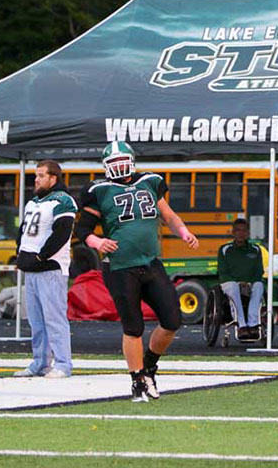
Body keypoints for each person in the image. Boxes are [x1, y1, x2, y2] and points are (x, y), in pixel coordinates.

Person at [75, 141, 198, 402]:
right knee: (133, 327)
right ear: (106, 166)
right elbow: (83, 230)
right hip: (120, 267)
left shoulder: (150, 181)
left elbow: (169, 216)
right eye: (114, 163)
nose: (119, 167)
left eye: (123, 161)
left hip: (150, 262)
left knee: (172, 320)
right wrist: (98, 242)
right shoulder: (99, 190)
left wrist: (184, 231)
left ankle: (150, 365)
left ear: (132, 161)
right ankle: (137, 380)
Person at [14, 160, 77, 379]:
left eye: (41, 175)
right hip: (31, 269)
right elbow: (23, 231)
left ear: (53, 178)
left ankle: (62, 363)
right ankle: (40, 362)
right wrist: (20, 254)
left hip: (50, 268)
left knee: (54, 317)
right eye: (36, 175)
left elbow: (61, 234)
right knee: (36, 320)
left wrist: (41, 256)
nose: (36, 179)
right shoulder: (33, 202)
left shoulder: (63, 201)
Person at [217, 218, 265, 340]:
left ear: (248, 233)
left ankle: (254, 324)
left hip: (250, 283)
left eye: (244, 230)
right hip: (231, 283)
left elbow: (259, 271)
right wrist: (238, 282)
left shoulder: (256, 249)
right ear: (233, 232)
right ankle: (241, 325)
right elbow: (223, 272)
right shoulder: (224, 249)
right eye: (238, 230)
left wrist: (249, 282)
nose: (241, 233)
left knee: (259, 285)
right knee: (233, 286)